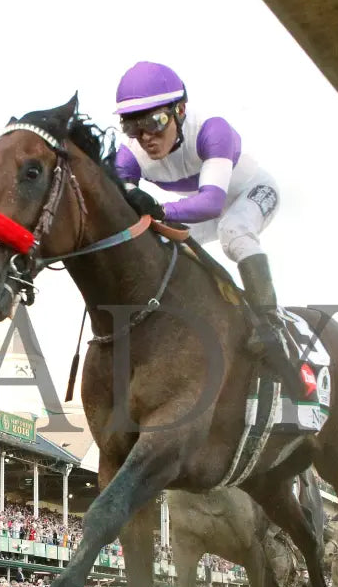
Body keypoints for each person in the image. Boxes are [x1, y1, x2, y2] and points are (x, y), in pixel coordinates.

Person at [112, 61, 293, 376]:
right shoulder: (129, 155)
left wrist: (158, 209)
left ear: (180, 111)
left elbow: (210, 203)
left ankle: (269, 321)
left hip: (251, 192)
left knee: (234, 231)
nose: (146, 138)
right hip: (201, 205)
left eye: (156, 122)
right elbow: (121, 206)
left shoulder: (212, 130)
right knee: (163, 240)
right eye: (132, 127)